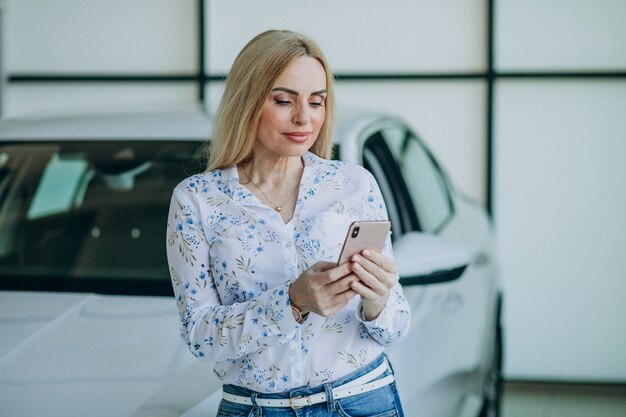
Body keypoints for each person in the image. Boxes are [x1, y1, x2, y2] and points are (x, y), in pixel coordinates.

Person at [166, 29, 411, 417]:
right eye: (283, 101)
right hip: (255, 408)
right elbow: (200, 337)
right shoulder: (197, 200)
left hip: (363, 401)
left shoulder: (353, 184)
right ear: (247, 102)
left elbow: (395, 326)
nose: (304, 118)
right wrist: (292, 302)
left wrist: (378, 299)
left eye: (317, 102)